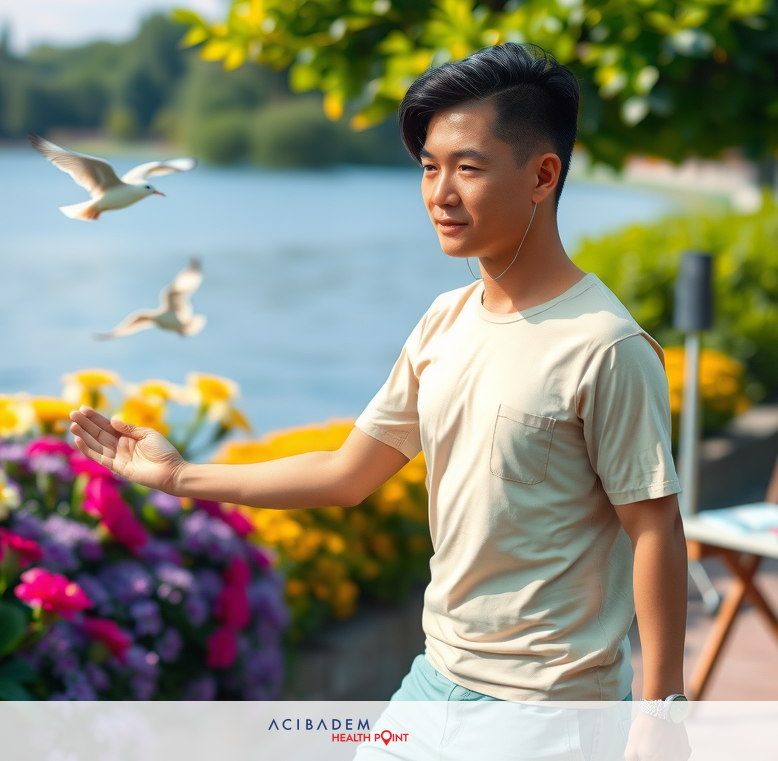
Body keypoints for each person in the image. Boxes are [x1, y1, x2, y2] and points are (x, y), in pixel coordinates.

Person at [70, 44, 690, 760]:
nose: (440, 192)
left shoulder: (605, 345)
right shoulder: (443, 322)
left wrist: (660, 712)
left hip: (549, 712)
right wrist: (179, 478)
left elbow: (655, 529)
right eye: (429, 167)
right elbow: (347, 473)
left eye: (469, 167)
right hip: (435, 685)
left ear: (543, 175)